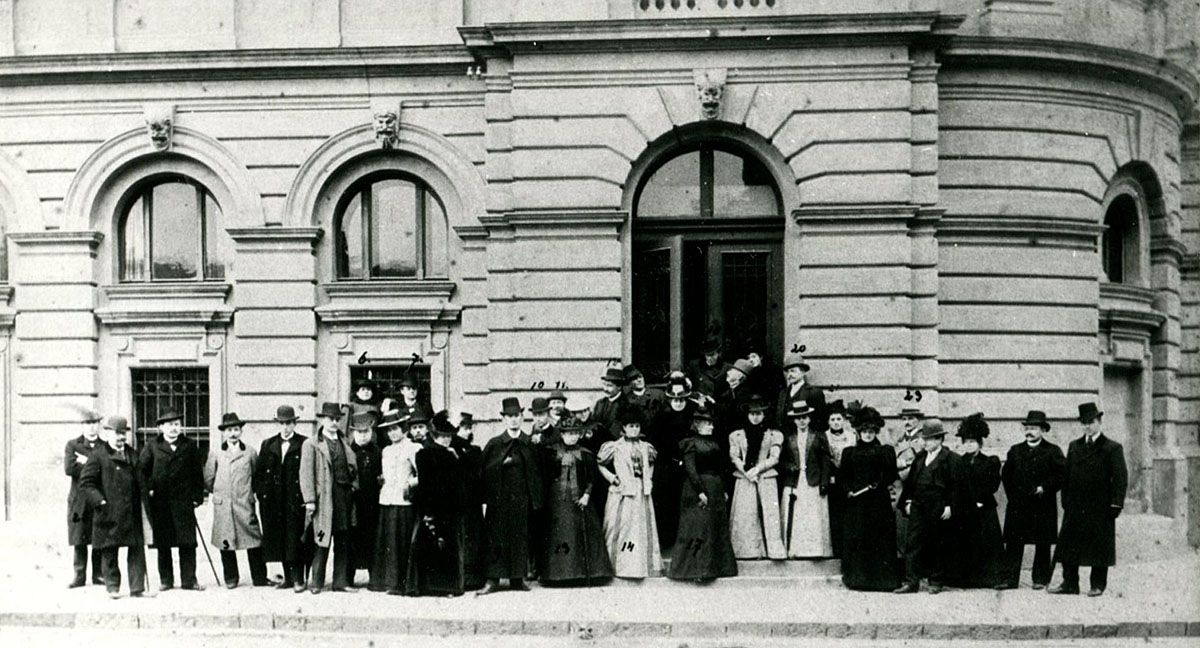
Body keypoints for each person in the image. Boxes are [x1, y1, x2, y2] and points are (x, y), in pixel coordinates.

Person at [1050, 402, 1128, 597]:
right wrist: (1065, 500)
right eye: (1084, 422)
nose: (1087, 426)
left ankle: (1097, 585)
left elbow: (1120, 479)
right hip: (1076, 505)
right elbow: (1066, 476)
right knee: (1069, 545)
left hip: (1100, 506)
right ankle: (1070, 583)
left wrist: (1115, 504)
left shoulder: (1112, 448)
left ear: (1099, 422)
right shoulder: (1074, 446)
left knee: (1099, 547)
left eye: (1091, 422)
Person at [78, 416, 149, 599]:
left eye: (124, 433)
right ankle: (112, 587)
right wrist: (100, 501)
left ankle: (137, 588)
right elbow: (86, 483)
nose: (121, 437)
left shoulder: (132, 454)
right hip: (108, 511)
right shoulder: (98, 455)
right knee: (109, 550)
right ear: (108, 433)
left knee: (136, 550)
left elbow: (141, 480)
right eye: (117, 433)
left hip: (131, 511)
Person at [540, 412, 613, 585]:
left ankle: (583, 573)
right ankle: (558, 574)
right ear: (562, 434)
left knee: (580, 532)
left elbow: (591, 477)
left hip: (580, 497)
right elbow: (546, 475)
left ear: (579, 434)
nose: (571, 437)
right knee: (559, 532)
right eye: (568, 433)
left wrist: (587, 495)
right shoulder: (551, 452)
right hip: (557, 499)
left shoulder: (586, 454)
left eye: (574, 433)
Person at [479, 397, 543, 595]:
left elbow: (536, 472)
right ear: (504, 419)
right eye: (510, 416)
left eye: (517, 416)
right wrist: (501, 464)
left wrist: (535, 500)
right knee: (496, 539)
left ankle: (517, 578)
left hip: (521, 501)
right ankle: (493, 580)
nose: (514, 420)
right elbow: (484, 470)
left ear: (522, 417)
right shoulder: (495, 443)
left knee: (519, 539)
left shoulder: (528, 443)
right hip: (499, 501)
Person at [997, 410, 1065, 590]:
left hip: (1042, 504)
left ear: (1043, 430)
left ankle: (1040, 579)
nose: (1030, 431)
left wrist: (1045, 487)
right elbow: (1006, 475)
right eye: (1027, 428)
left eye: (1034, 428)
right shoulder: (1015, 450)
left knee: (1042, 544)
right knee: (1013, 543)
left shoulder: (1053, 451)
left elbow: (1062, 475)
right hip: (1018, 505)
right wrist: (1014, 496)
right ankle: (1010, 579)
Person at [667, 405, 737, 582]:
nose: (711, 427)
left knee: (714, 527)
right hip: (697, 488)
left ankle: (716, 567)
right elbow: (691, 470)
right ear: (697, 425)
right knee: (699, 528)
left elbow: (719, 469)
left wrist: (723, 490)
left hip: (714, 488)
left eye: (711, 424)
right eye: (708, 424)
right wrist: (700, 492)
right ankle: (697, 570)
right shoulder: (690, 443)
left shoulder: (713, 443)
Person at [139, 409, 206, 591]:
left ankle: (189, 580)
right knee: (163, 543)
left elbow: (197, 474)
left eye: (176, 424)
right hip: (160, 503)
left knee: (187, 543)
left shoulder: (189, 445)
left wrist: (197, 497)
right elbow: (142, 472)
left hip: (183, 503)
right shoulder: (152, 446)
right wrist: (149, 490)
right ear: (161, 427)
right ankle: (166, 580)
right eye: (169, 425)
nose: (173, 428)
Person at [894, 418, 962, 595]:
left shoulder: (950, 459)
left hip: (938, 506)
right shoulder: (920, 457)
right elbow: (911, 483)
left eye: (929, 439)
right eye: (924, 439)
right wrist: (908, 501)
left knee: (936, 542)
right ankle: (911, 582)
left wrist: (949, 506)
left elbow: (955, 486)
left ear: (939, 440)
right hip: (918, 505)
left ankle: (936, 581)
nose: (925, 442)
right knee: (913, 543)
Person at [300, 401, 359, 594]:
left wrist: (353, 486)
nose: (334, 422)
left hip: (343, 497)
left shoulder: (344, 442)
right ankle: (316, 582)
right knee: (321, 538)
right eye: (330, 419)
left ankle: (340, 582)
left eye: (336, 419)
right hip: (324, 498)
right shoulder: (311, 444)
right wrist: (309, 500)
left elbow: (352, 469)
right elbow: (306, 474)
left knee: (343, 539)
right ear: (322, 420)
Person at [838, 407, 899, 591]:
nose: (868, 435)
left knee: (879, 539)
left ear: (876, 432)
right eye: (864, 431)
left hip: (878, 502)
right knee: (859, 538)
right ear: (858, 432)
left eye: (871, 431)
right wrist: (848, 490)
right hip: (857, 504)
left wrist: (878, 484)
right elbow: (843, 477)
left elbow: (891, 474)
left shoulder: (885, 451)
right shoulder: (849, 452)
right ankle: (859, 580)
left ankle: (882, 581)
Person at [204, 412, 268, 588]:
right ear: (223, 433)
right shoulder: (216, 453)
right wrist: (221, 493)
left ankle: (260, 578)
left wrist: (246, 493)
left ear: (241, 431)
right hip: (224, 505)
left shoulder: (250, 453)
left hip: (244, 504)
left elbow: (256, 477)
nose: (233, 433)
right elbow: (209, 479)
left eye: (236, 429)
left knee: (254, 541)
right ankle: (231, 578)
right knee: (226, 542)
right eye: (229, 430)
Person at [407, 419, 468, 597]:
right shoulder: (425, 454)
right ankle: (430, 586)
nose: (446, 439)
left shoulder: (451, 454)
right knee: (433, 544)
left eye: (449, 436)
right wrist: (427, 509)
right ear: (435, 436)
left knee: (445, 546)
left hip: (449, 507)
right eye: (443, 436)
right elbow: (425, 484)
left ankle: (444, 587)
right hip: (433, 506)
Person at [598, 408, 662, 579]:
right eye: (630, 426)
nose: (634, 429)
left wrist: (648, 478)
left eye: (637, 426)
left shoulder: (646, 447)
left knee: (640, 527)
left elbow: (651, 463)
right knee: (621, 526)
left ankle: (639, 566)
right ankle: (616, 566)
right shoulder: (614, 446)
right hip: (622, 492)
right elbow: (601, 464)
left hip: (641, 490)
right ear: (624, 428)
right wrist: (613, 478)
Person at [254, 404, 310, 592]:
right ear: (277, 424)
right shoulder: (268, 444)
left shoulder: (304, 443)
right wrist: (262, 494)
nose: (286, 427)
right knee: (279, 539)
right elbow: (259, 473)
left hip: (294, 500)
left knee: (295, 538)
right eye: (282, 423)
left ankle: (298, 579)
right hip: (273, 501)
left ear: (295, 423)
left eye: (289, 423)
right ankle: (287, 578)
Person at [728, 394, 786, 560]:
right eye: (752, 414)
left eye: (759, 414)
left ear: (764, 415)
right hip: (745, 477)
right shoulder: (736, 435)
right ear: (747, 415)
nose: (755, 417)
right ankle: (747, 551)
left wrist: (758, 469)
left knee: (770, 513)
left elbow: (774, 457)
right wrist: (746, 471)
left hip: (766, 476)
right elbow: (734, 457)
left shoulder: (774, 435)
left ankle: (774, 550)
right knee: (746, 513)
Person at [951, 413, 1003, 589]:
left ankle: (988, 579)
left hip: (984, 508)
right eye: (966, 442)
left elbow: (993, 484)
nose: (969, 445)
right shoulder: (958, 462)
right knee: (965, 542)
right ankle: (966, 579)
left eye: (972, 442)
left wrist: (979, 499)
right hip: (965, 509)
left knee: (986, 543)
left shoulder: (990, 461)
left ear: (980, 443)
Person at [646, 373, 695, 550]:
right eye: (674, 398)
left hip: (689, 467)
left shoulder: (693, 415)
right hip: (667, 468)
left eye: (681, 398)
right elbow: (653, 442)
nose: (677, 402)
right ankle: (667, 541)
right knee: (667, 504)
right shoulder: (661, 417)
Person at [373, 410, 420, 595]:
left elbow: (423, 474)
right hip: (387, 500)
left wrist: (410, 483)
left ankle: (401, 583)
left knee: (401, 542)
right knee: (388, 542)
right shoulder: (386, 450)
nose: (392, 433)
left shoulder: (413, 448)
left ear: (404, 429)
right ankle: (387, 582)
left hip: (403, 502)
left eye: (395, 429)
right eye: (389, 430)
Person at [780, 399, 833, 559]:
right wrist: (789, 467)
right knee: (797, 515)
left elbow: (825, 460)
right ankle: (795, 550)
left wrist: (824, 482)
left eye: (804, 417)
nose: (801, 421)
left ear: (809, 418)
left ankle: (814, 550)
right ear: (794, 420)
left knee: (813, 515)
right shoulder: (788, 438)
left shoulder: (818, 436)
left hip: (813, 480)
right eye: (798, 418)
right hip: (794, 481)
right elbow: (782, 460)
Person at [64, 409, 104, 588]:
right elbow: (69, 469)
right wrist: (94, 465)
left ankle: (99, 574)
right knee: (79, 536)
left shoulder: (105, 446)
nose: (91, 427)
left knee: (99, 535)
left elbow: (107, 470)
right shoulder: (73, 445)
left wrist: (85, 462)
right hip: (79, 498)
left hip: (98, 496)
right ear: (82, 426)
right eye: (88, 423)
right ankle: (79, 575)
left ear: (99, 425)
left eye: (94, 423)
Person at [450, 412, 486, 591]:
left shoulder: (475, 450)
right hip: (457, 501)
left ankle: (473, 578)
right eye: (462, 428)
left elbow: (479, 474)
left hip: (472, 502)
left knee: (472, 537)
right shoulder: (450, 450)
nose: (465, 431)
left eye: (468, 428)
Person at [347, 411, 383, 588]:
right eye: (359, 432)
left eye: (366, 432)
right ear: (353, 433)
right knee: (351, 542)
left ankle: (375, 578)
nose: (362, 436)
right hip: (353, 505)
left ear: (372, 432)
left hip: (373, 504)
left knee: (373, 541)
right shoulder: (347, 451)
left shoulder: (378, 452)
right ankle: (347, 578)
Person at [889, 403, 924, 581]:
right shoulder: (899, 439)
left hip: (916, 488)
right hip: (900, 488)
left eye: (911, 419)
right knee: (902, 531)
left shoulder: (923, 439)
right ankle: (905, 571)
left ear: (919, 421)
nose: (908, 422)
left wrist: (902, 464)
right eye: (905, 419)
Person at [824, 400, 856, 558]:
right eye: (832, 419)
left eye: (838, 419)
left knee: (848, 514)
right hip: (832, 480)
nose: (836, 423)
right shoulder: (824, 436)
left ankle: (848, 549)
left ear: (843, 420)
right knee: (834, 514)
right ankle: (836, 549)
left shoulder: (852, 436)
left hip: (848, 479)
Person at [774, 354, 825, 433]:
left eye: (793, 371)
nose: (789, 375)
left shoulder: (813, 393)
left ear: (802, 372)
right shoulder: (783, 393)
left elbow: (820, 422)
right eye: (787, 372)